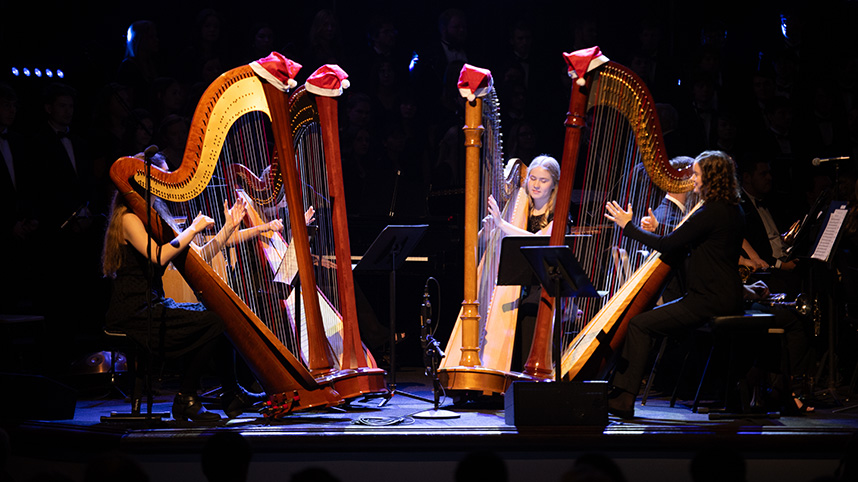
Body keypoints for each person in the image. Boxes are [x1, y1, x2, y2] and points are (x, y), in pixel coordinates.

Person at [101, 166, 275, 421]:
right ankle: (186, 398)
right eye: (161, 178)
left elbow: (196, 258)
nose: (166, 183)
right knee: (212, 321)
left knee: (220, 315)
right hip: (134, 312)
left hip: (154, 303)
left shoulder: (152, 217)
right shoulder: (129, 218)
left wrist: (228, 227)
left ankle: (231, 394)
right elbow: (158, 256)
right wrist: (192, 229)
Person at [603, 150, 744, 419]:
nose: (692, 180)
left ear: (711, 179)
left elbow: (668, 245)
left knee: (639, 325)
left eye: (697, 174)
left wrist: (628, 226)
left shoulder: (710, 211)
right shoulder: (731, 208)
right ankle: (621, 395)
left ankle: (623, 399)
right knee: (642, 324)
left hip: (709, 299)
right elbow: (683, 241)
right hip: (722, 295)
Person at [486, 155, 561, 366]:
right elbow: (485, 240)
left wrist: (502, 224)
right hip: (521, 278)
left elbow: (540, 241)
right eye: (532, 178)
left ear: (554, 184)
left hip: (545, 282)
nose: (536, 185)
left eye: (543, 180)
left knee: (528, 308)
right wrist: (491, 227)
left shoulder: (559, 214)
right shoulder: (520, 207)